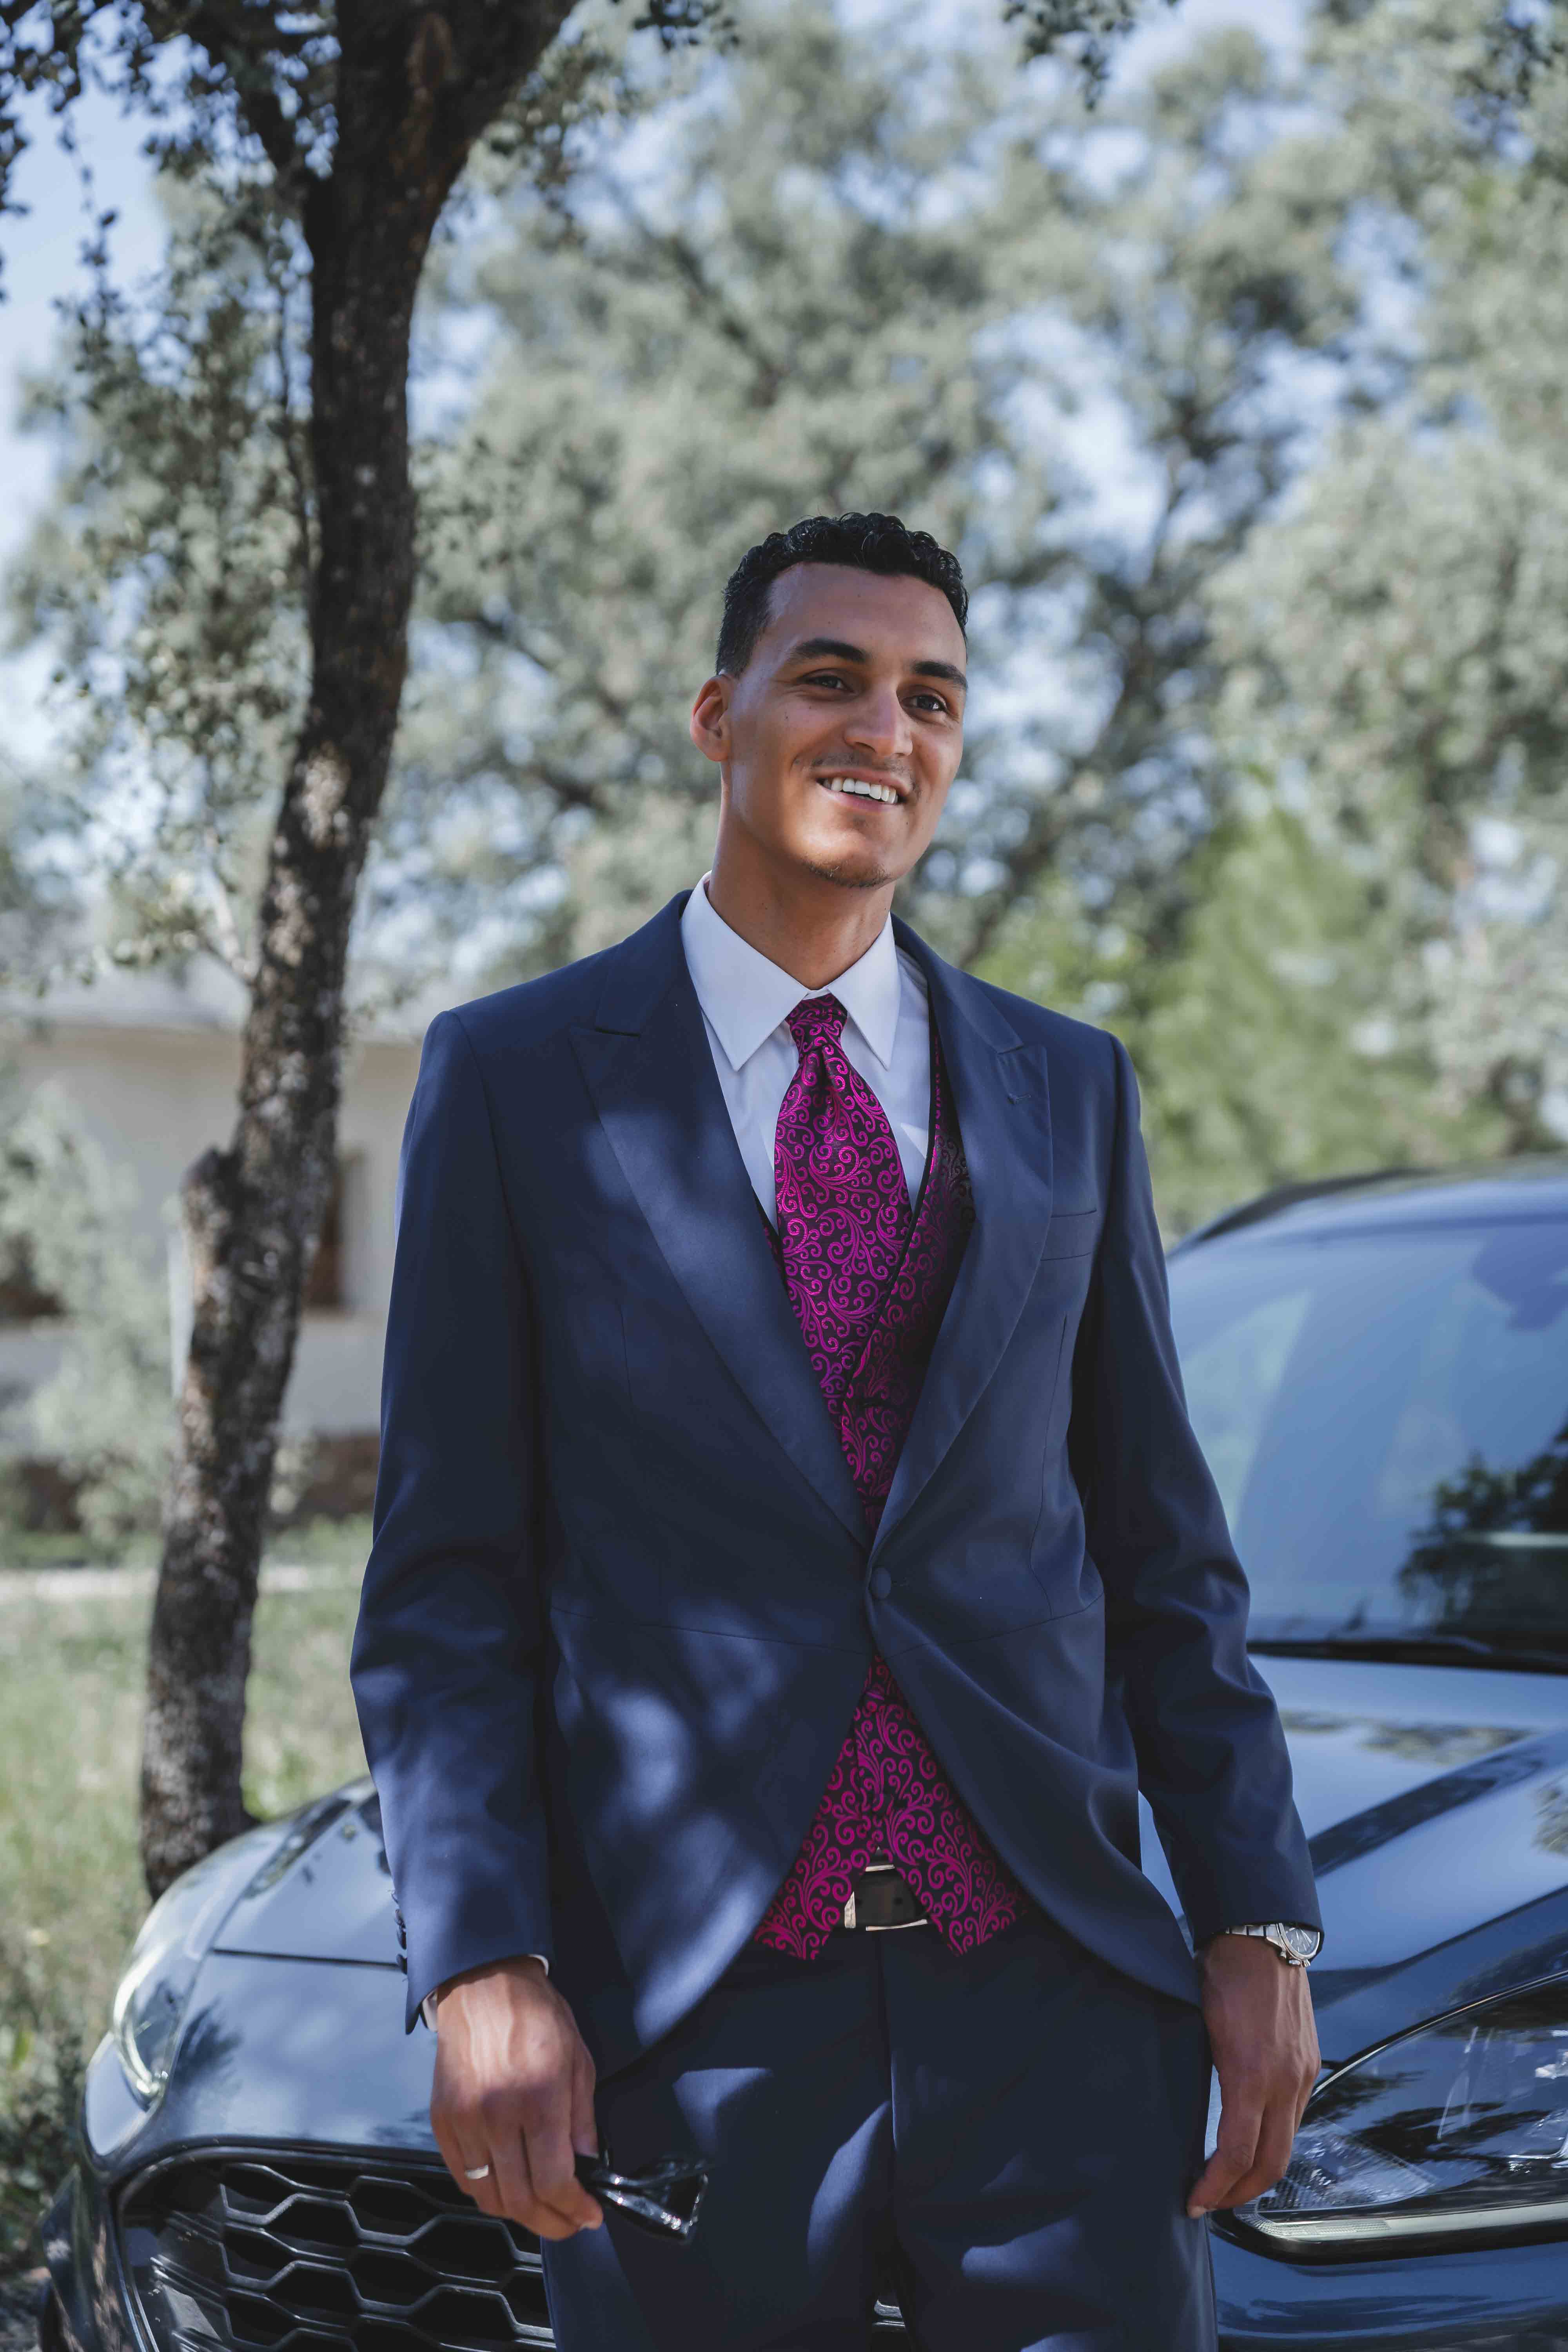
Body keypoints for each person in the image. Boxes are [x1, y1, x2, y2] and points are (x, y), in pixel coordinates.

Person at [351, 512, 1321, 2352]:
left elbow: (1158, 1551)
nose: (886, 726)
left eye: (932, 697)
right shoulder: (514, 1083)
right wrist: (478, 1962)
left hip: (1054, 1999)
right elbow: (446, 1590)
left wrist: (1255, 1915)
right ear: (720, 715)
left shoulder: (1070, 1088)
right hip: (688, 2019)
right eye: (832, 678)